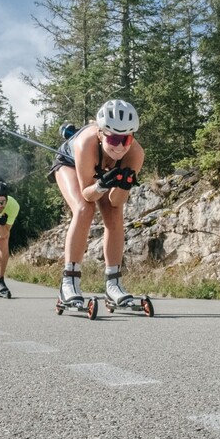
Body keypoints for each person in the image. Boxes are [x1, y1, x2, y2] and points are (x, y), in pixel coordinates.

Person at [49, 99, 145, 306]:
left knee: (114, 214)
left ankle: (113, 285)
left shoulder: (135, 154)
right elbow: (87, 194)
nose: (119, 148)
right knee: (84, 209)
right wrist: (102, 184)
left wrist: (124, 185)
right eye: (113, 140)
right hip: (70, 164)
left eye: (126, 140)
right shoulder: (86, 143)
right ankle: (69, 282)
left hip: (102, 173)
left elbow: (116, 202)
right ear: (101, 134)